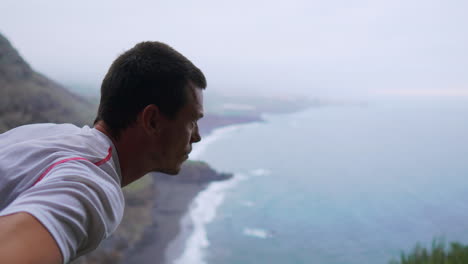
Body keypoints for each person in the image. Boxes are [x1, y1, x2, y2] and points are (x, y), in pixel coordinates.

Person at [0, 41, 206, 264]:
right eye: (192, 122)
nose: (197, 136)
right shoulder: (91, 187)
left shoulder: (40, 134)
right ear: (152, 120)